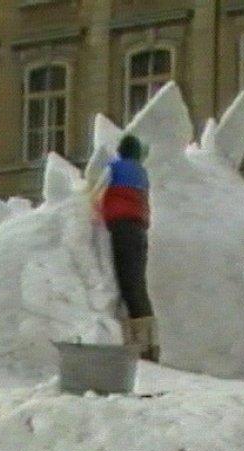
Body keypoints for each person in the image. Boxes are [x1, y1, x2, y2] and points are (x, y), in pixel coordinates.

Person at [99, 134, 158, 362]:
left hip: (123, 228)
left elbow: (95, 185)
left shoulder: (115, 167)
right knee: (136, 285)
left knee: (129, 285)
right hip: (138, 230)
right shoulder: (141, 172)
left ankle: (143, 346)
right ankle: (149, 342)